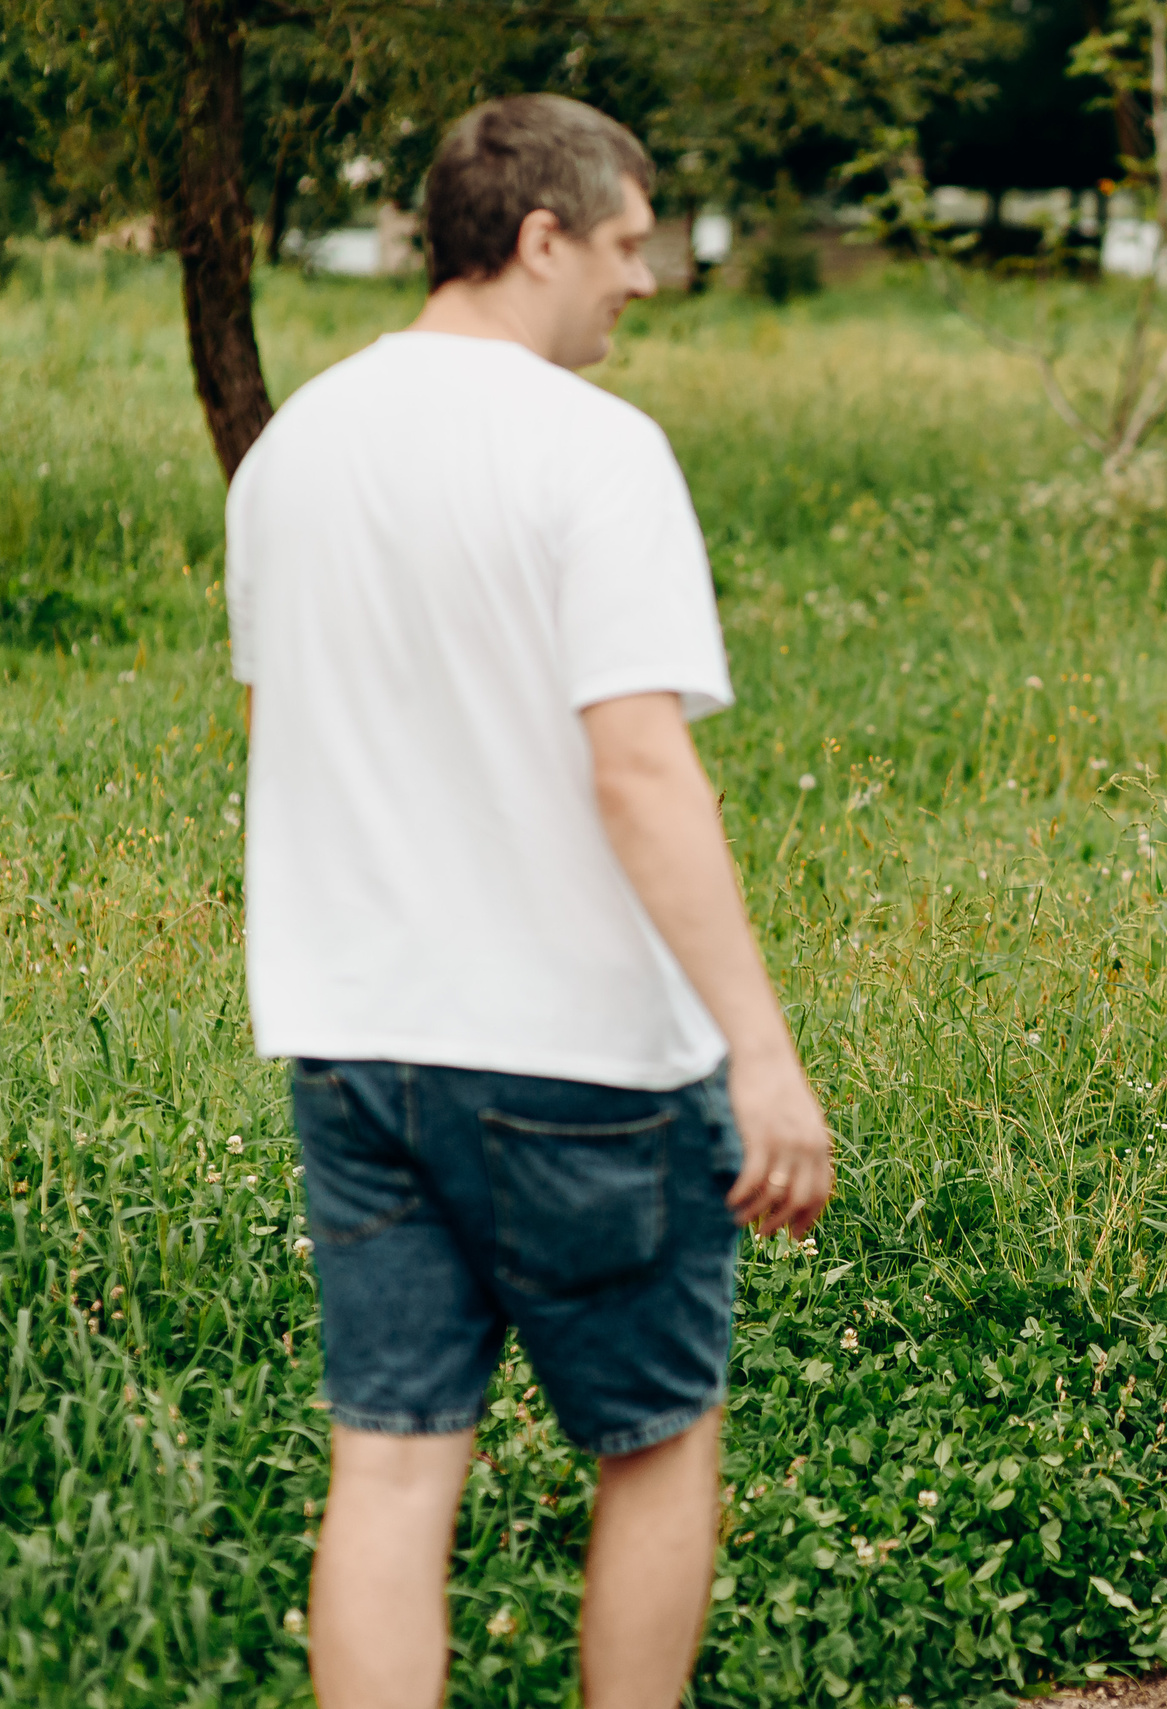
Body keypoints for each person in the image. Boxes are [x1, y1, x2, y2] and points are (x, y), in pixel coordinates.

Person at [224, 94, 834, 1709]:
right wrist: (760, 1052)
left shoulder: (295, 448)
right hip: (579, 1058)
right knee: (656, 1442)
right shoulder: (594, 448)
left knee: (394, 1463)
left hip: (354, 1040)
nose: (648, 278)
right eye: (631, 241)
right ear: (541, 236)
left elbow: (282, 742)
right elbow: (638, 767)